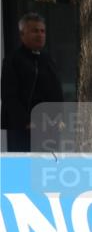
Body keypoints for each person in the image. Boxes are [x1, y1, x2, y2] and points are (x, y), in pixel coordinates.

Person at [1, 13, 63, 152]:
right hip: (24, 129)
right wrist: (26, 122)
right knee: (23, 169)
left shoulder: (47, 59)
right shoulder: (13, 60)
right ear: (22, 34)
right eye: (35, 30)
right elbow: (9, 96)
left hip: (49, 127)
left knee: (46, 168)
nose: (40, 35)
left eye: (42, 31)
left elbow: (56, 91)